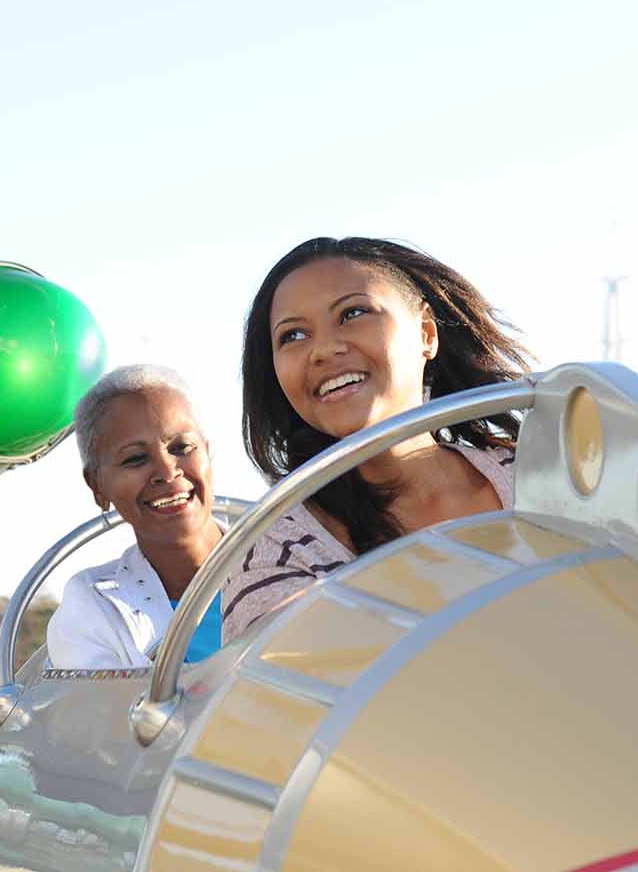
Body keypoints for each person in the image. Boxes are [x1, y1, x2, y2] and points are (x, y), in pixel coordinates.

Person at [221, 237, 533, 641]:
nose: (324, 349)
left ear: (426, 333)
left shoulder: (543, 480)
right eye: (293, 336)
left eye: (353, 313)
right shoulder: (276, 551)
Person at [45, 365, 227, 669]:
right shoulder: (91, 610)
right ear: (97, 486)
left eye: (182, 447)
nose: (168, 471)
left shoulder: (298, 563)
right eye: (135, 459)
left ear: (208, 453)